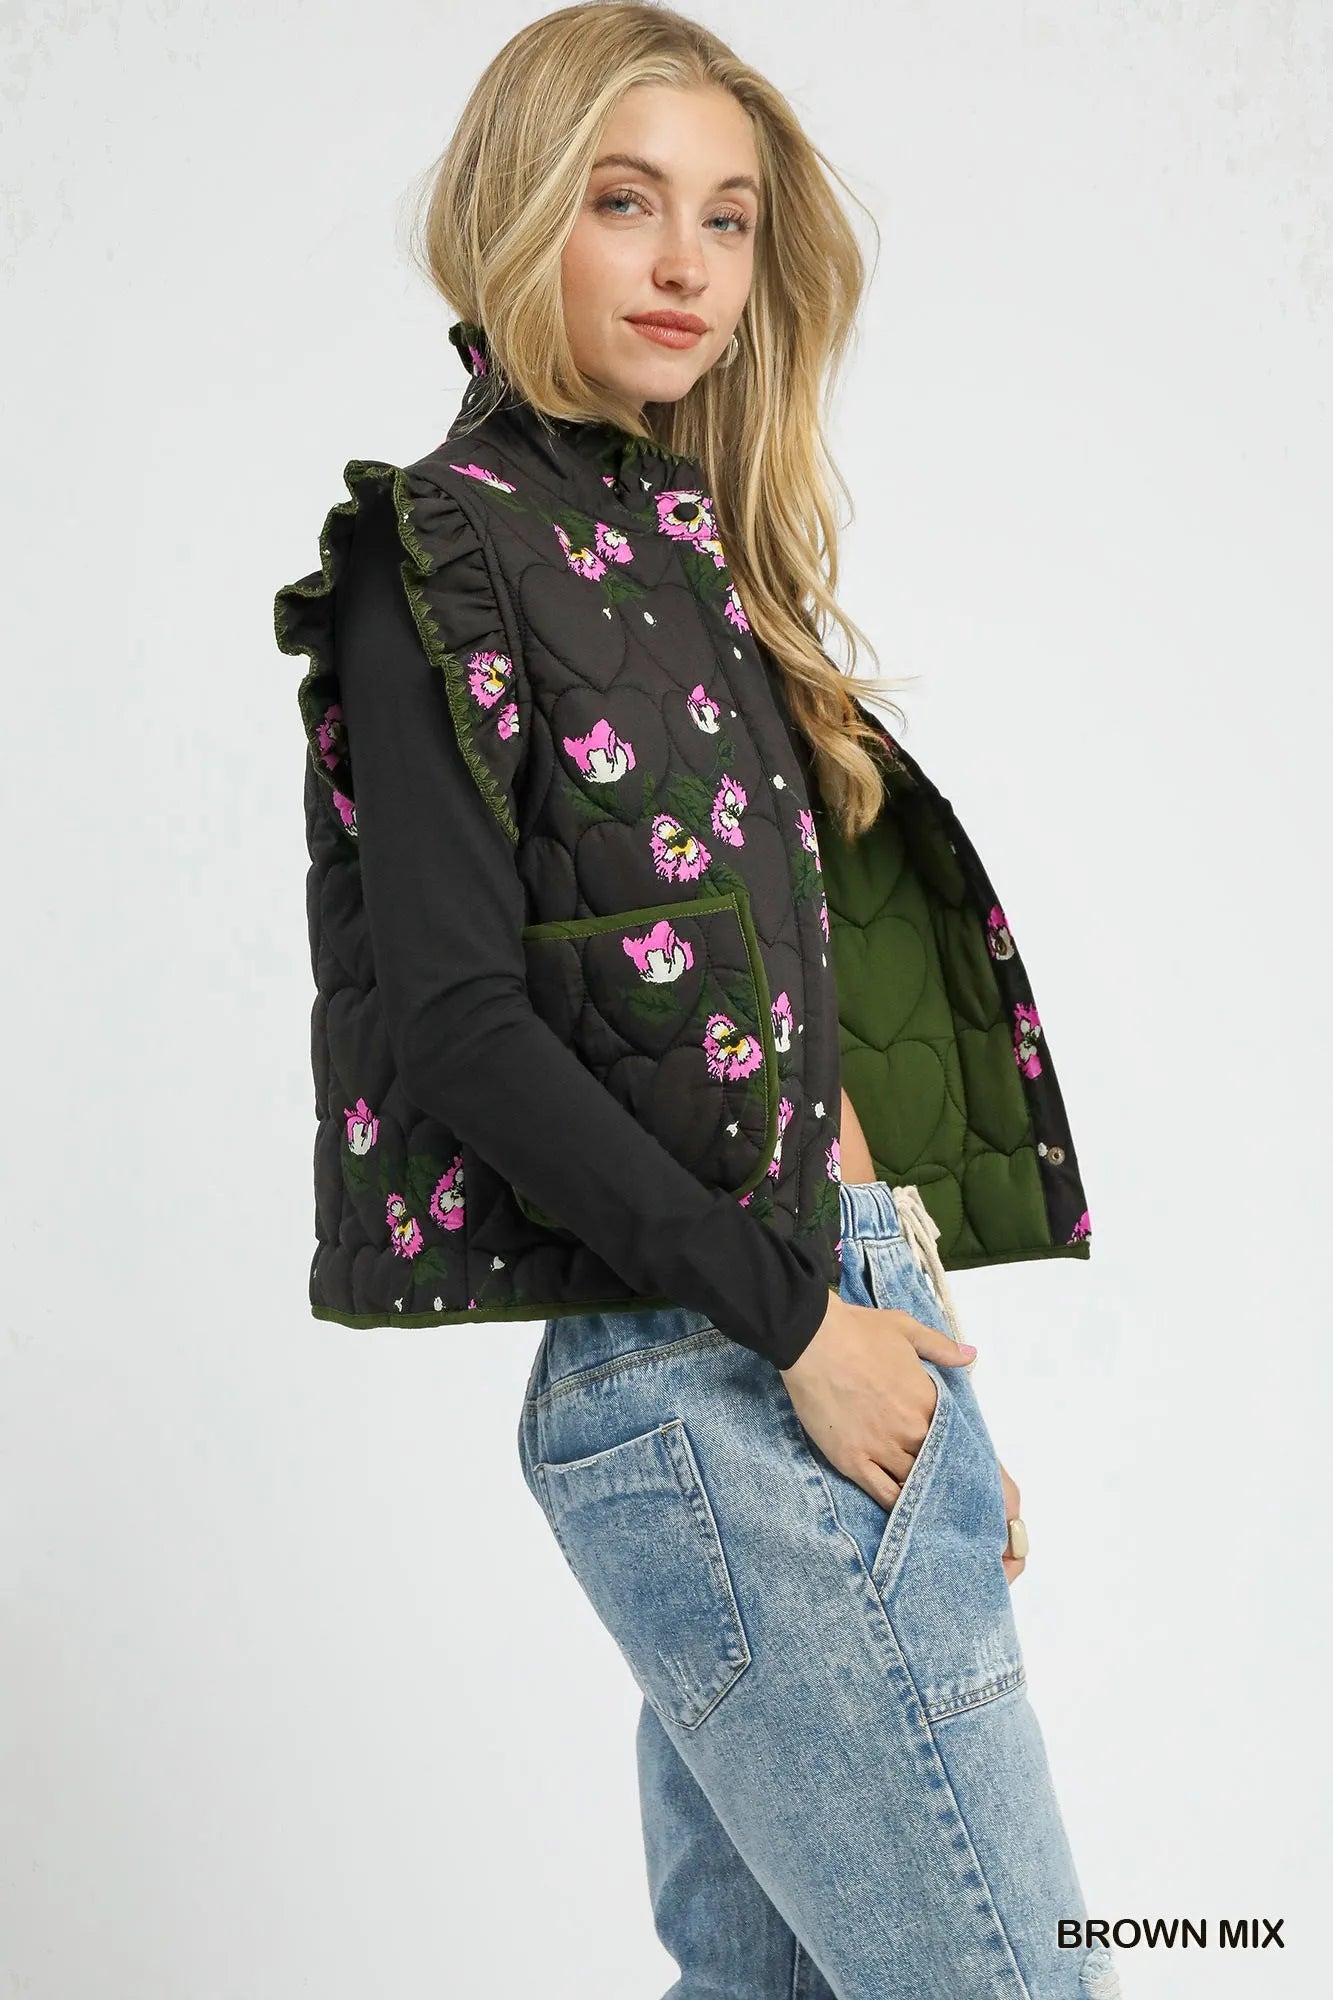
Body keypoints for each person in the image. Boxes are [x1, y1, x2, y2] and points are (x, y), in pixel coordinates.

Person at [274, 8, 1117, 1996]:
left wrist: (908, 1347)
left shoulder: (689, 554)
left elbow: (797, 1019)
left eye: (727, 219)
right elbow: (459, 1022)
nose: (685, 264)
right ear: (516, 216)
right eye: (625, 201)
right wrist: (811, 1330)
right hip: (714, 1351)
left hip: (828, 1321)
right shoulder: (434, 552)